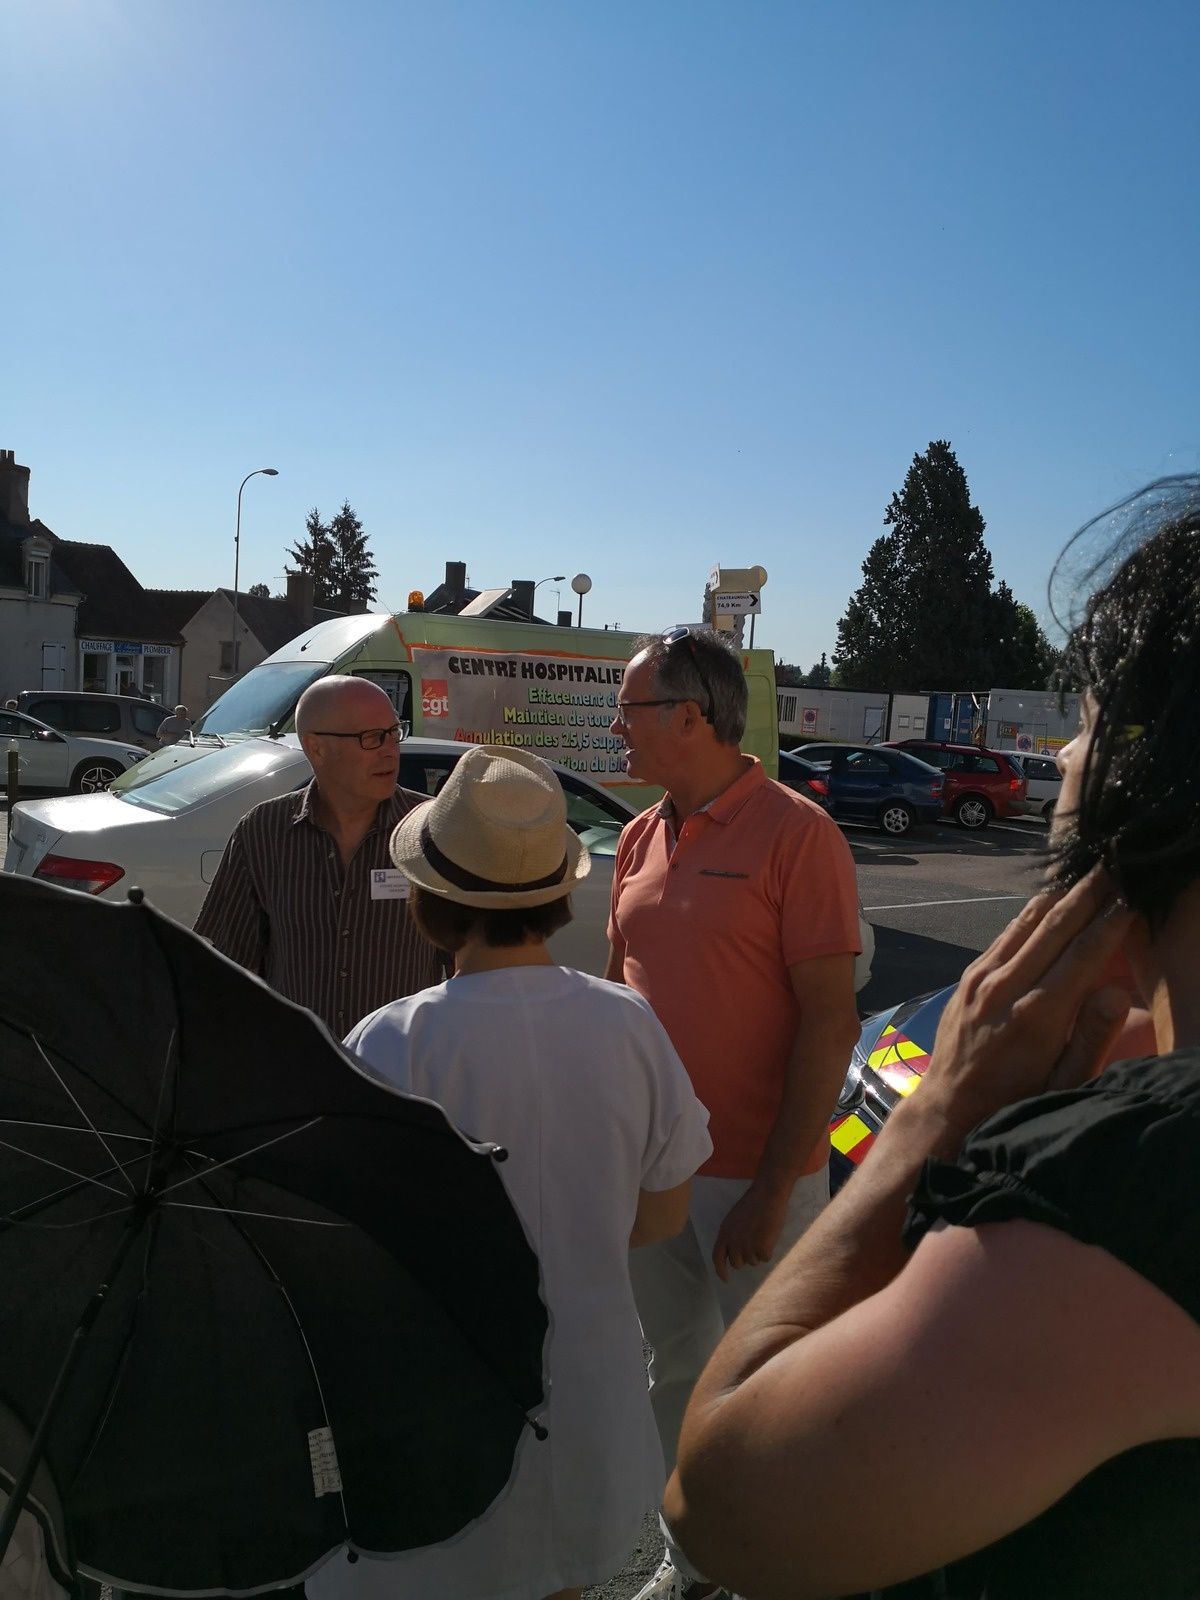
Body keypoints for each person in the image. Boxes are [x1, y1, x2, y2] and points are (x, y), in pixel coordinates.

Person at [666, 479, 1200, 1599]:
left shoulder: (1130, 1192)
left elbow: (724, 1504)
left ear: (1147, 790)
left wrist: (942, 1116)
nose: (1058, 759)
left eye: (1087, 727)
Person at [307, 744, 713, 1600]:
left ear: (429, 900)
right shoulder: (629, 1023)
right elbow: (664, 1216)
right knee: (564, 1576)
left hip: (441, 1394)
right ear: (558, 895)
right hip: (589, 1382)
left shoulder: (389, 1041)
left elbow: (351, 1244)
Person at [604, 625, 862, 1600]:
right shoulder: (641, 832)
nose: (616, 729)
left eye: (629, 709)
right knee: (672, 1371)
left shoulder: (798, 834)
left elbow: (828, 1022)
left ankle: (787, 1571)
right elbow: (615, 996)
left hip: (760, 1177)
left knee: (775, 1391)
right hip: (652, 1174)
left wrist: (771, 1184)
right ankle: (697, 1557)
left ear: (689, 716)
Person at [195, 675, 444, 1033]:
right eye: (371, 738)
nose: (390, 750)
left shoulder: (430, 831)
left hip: (401, 1072)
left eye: (393, 732)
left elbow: (467, 969)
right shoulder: (264, 832)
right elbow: (232, 969)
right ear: (317, 748)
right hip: (300, 1071)